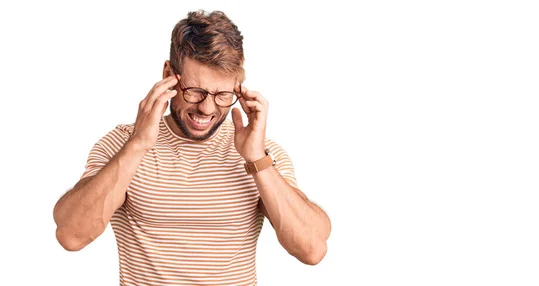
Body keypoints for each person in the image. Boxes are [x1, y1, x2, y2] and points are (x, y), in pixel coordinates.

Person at [53, 10, 331, 286]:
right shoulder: (122, 144)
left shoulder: (261, 154)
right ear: (168, 75)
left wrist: (257, 159)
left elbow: (312, 250)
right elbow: (72, 235)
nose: (207, 108)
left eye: (223, 95)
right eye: (195, 91)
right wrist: (138, 144)